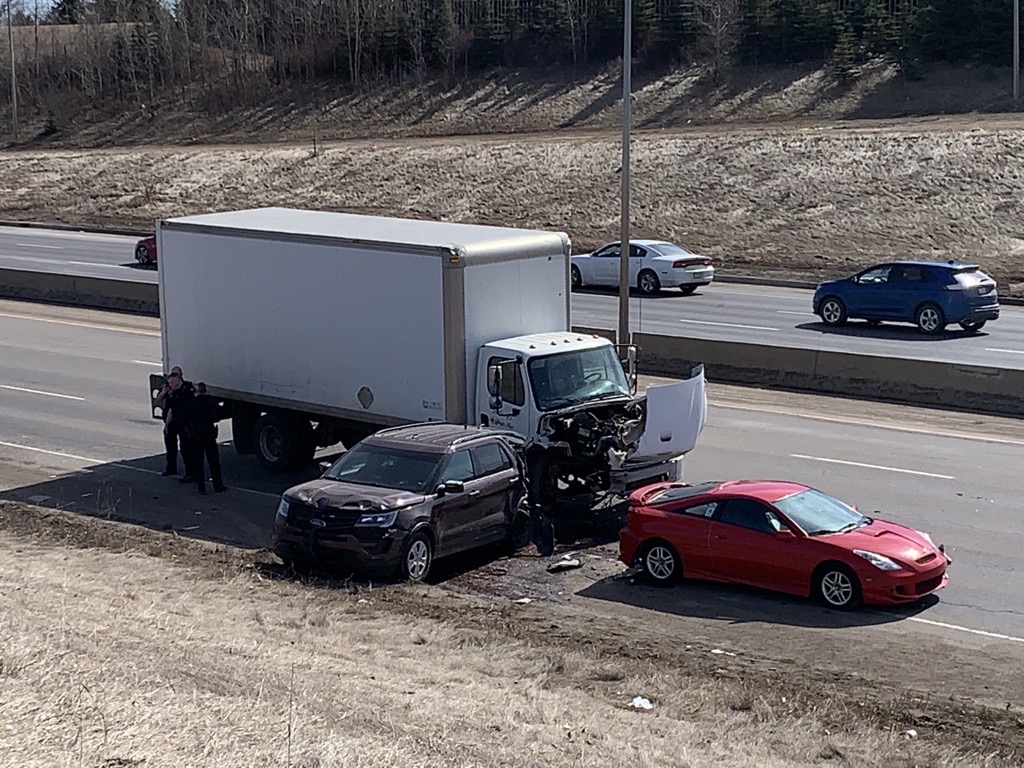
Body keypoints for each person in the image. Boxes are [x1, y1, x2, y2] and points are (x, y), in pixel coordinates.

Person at [156, 368, 196, 479]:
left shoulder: (186, 388)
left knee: (185, 448)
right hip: (171, 422)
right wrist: (164, 392)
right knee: (170, 446)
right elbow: (159, 400)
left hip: (182, 422)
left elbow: (176, 408)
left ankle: (190, 472)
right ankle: (171, 467)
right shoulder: (168, 387)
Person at [187, 382, 226, 494]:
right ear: (205, 390)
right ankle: (218, 486)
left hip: (196, 434)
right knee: (213, 460)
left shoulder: (192, 402)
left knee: (198, 461)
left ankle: (201, 487)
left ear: (196, 391)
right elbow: (220, 412)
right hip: (209, 433)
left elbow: (185, 416)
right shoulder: (210, 401)